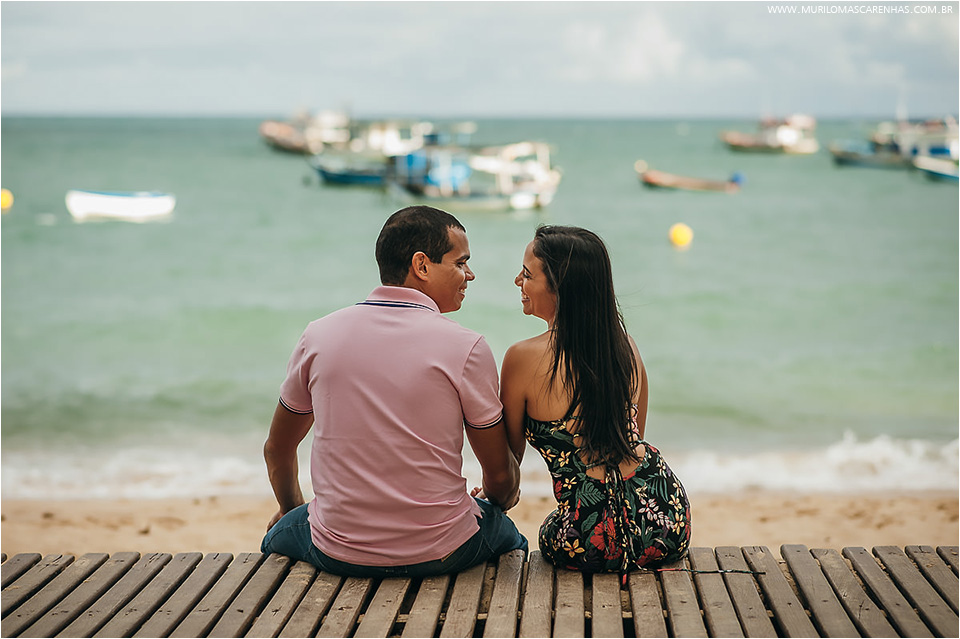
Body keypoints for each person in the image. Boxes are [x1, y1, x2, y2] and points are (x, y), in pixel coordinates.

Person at [261, 205, 526, 577]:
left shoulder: (318, 335)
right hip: (442, 549)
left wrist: (292, 510)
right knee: (512, 540)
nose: (470, 275)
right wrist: (497, 502)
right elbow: (500, 479)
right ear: (422, 265)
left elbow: (278, 448)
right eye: (460, 262)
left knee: (278, 535)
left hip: (338, 550)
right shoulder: (466, 347)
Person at [500, 225, 691, 574]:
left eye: (527, 274)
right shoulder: (625, 346)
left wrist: (494, 499)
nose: (517, 281)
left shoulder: (521, 359)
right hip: (666, 516)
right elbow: (636, 436)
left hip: (588, 540)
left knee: (548, 534)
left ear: (560, 288)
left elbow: (508, 469)